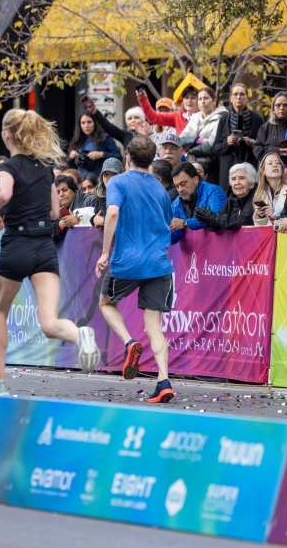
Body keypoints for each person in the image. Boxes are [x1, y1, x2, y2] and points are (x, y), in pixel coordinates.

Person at [0, 109, 100, 396]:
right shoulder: (45, 168)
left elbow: (6, 193)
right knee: (49, 323)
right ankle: (80, 334)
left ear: (7, 134)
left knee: (0, 312)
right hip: (44, 247)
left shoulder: (7, 167)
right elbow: (51, 210)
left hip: (16, 245)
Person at [94, 135, 175, 402]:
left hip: (127, 262)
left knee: (106, 303)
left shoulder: (117, 181)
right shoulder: (160, 189)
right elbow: (167, 222)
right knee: (155, 326)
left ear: (127, 156)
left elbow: (113, 213)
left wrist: (105, 252)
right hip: (158, 263)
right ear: (152, 159)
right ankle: (163, 380)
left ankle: (130, 343)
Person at [214, 83, 263, 191]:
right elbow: (215, 148)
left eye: (242, 94)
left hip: (250, 166)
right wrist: (227, 143)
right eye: (235, 94)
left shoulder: (257, 119)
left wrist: (252, 143)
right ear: (231, 98)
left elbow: (263, 146)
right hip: (228, 168)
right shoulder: (223, 120)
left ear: (247, 98)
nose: (238, 97)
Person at [180, 87, 229, 184]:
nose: (203, 102)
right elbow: (180, 140)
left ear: (214, 100)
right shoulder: (195, 117)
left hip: (211, 168)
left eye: (206, 98)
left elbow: (211, 146)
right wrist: (198, 140)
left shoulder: (221, 118)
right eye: (200, 99)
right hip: (192, 166)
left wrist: (190, 150)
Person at [170, 161, 227, 243]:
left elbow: (215, 218)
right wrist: (166, 232)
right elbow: (176, 235)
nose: (180, 189)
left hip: (220, 248)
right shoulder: (176, 203)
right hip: (196, 253)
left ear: (196, 179)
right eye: (177, 186)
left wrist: (185, 223)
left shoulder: (214, 191)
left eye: (183, 184)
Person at [84, 94, 154, 151]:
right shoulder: (125, 136)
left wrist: (147, 136)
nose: (133, 120)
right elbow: (107, 126)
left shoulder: (151, 133)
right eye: (130, 118)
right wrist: (94, 110)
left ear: (142, 120)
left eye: (136, 117)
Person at [199, 163, 258, 231]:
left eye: (242, 178)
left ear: (251, 183)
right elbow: (218, 224)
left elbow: (246, 219)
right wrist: (209, 221)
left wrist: (217, 220)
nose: (237, 182)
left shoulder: (258, 196)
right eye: (233, 179)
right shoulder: (232, 199)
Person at [67, 111, 122, 180]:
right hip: (82, 181)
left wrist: (102, 154)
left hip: (99, 180)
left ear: (95, 123)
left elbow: (118, 157)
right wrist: (71, 157)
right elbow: (70, 165)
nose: (86, 126)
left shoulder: (105, 138)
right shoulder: (76, 140)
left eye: (89, 122)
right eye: (83, 123)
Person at [52, 174, 98, 241]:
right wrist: (60, 225)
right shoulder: (54, 210)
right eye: (58, 192)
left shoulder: (91, 200)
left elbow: (100, 225)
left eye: (65, 190)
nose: (61, 194)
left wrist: (79, 222)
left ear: (74, 190)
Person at [254, 152, 287, 227]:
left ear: (282, 168)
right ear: (263, 171)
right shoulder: (261, 193)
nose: (275, 165)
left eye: (278, 163)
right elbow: (259, 227)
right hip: (270, 236)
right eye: (270, 163)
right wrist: (261, 216)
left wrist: (275, 212)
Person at [93, 158, 123, 228]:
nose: (110, 178)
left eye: (114, 174)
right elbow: (96, 217)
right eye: (106, 174)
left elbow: (129, 222)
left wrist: (104, 221)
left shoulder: (127, 195)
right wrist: (94, 219)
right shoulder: (99, 196)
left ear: (122, 175)